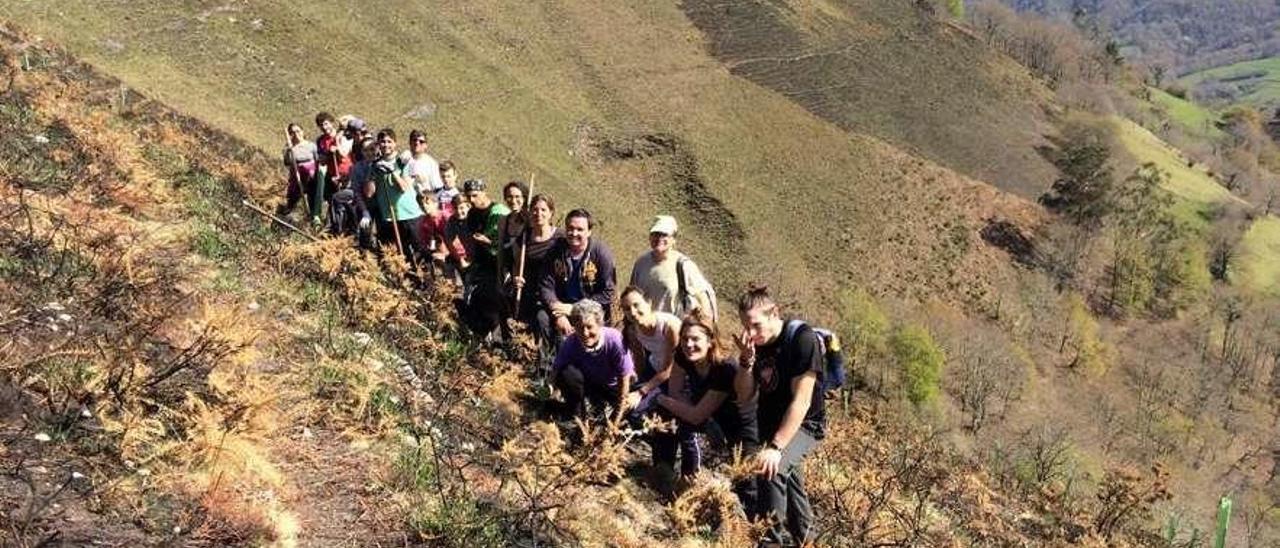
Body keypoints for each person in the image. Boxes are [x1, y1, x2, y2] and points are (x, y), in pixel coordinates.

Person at [737, 285, 825, 546]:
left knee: (771, 470)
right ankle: (807, 540)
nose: (750, 333)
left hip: (805, 425)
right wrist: (746, 361)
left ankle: (771, 542)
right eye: (745, 326)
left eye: (755, 325)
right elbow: (744, 395)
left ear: (774, 313)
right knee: (792, 481)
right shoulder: (756, 345)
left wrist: (776, 446)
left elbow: (802, 400)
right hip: (771, 424)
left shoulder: (801, 339)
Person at [656, 315, 758, 497]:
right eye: (685, 338)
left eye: (695, 339)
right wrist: (690, 412)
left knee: (746, 485)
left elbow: (695, 415)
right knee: (673, 418)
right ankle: (668, 476)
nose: (688, 344)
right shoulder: (683, 355)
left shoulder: (724, 368)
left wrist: (660, 398)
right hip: (709, 417)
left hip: (737, 427)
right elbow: (676, 392)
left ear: (710, 341)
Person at [539, 208, 617, 347]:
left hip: (591, 311)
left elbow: (608, 293)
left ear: (589, 231)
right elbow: (546, 285)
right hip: (561, 307)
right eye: (570, 228)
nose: (574, 233)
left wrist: (576, 308)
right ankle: (547, 365)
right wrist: (557, 312)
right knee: (542, 318)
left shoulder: (601, 255)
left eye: (580, 229)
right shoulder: (556, 250)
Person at [549, 299, 634, 421]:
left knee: (633, 413)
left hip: (613, 386)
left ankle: (603, 409)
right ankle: (578, 416)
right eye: (579, 327)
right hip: (589, 383)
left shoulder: (614, 340)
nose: (585, 333)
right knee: (567, 373)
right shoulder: (571, 342)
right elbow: (557, 367)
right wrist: (550, 387)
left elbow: (624, 378)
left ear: (599, 324)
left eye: (589, 327)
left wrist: (617, 417)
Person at [629, 215, 716, 319]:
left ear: (673, 239)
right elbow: (631, 295)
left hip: (673, 330)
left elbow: (702, 295)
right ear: (650, 236)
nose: (659, 238)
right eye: (655, 234)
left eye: (664, 235)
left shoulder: (683, 265)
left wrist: (705, 322)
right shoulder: (641, 263)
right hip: (644, 328)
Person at [363, 128, 427, 269]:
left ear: (395, 143)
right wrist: (373, 174)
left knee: (420, 251)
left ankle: (427, 282)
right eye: (382, 142)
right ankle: (407, 283)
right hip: (389, 217)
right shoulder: (375, 165)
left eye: (389, 141)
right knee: (399, 254)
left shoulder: (404, 161)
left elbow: (403, 187)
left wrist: (392, 171)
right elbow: (369, 193)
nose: (386, 145)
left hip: (410, 215)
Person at [504, 193, 563, 330]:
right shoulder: (524, 238)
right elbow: (517, 265)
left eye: (543, 210)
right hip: (529, 292)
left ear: (551, 213)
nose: (538, 213)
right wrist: (516, 278)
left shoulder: (561, 238)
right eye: (535, 209)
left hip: (555, 292)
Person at [459, 179, 510, 337]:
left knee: (492, 302)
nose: (472, 200)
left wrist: (488, 242)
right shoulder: (472, 214)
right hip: (481, 263)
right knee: (475, 299)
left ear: (484, 192)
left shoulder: (499, 212)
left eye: (475, 195)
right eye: (469, 197)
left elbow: (506, 242)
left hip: (499, 265)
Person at [619, 287, 680, 406]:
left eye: (636, 305)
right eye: (627, 309)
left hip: (675, 374)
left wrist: (641, 392)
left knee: (647, 404)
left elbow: (668, 369)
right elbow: (639, 359)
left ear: (649, 303)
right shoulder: (633, 330)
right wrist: (636, 380)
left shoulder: (669, 327)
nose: (632, 312)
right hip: (654, 367)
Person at [314, 112, 352, 217]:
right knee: (333, 201)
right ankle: (336, 227)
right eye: (321, 125)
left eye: (326, 123)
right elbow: (322, 161)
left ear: (332, 122)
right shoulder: (320, 141)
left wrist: (337, 147)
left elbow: (343, 154)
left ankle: (350, 227)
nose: (324, 127)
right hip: (332, 175)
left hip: (346, 173)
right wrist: (329, 153)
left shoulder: (343, 136)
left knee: (348, 202)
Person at [276, 123, 319, 217]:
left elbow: (317, 160)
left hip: (311, 178)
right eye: (293, 132)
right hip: (297, 178)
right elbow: (287, 162)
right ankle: (287, 216)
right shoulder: (290, 148)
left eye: (298, 131)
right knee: (293, 199)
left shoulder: (311, 146)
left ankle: (313, 218)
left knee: (313, 200)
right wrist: (288, 149)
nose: (296, 134)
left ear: (303, 132)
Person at [406, 129, 445, 196]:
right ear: (410, 142)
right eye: (414, 140)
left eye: (421, 141)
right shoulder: (403, 161)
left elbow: (437, 188)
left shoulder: (431, 163)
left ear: (426, 145)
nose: (417, 143)